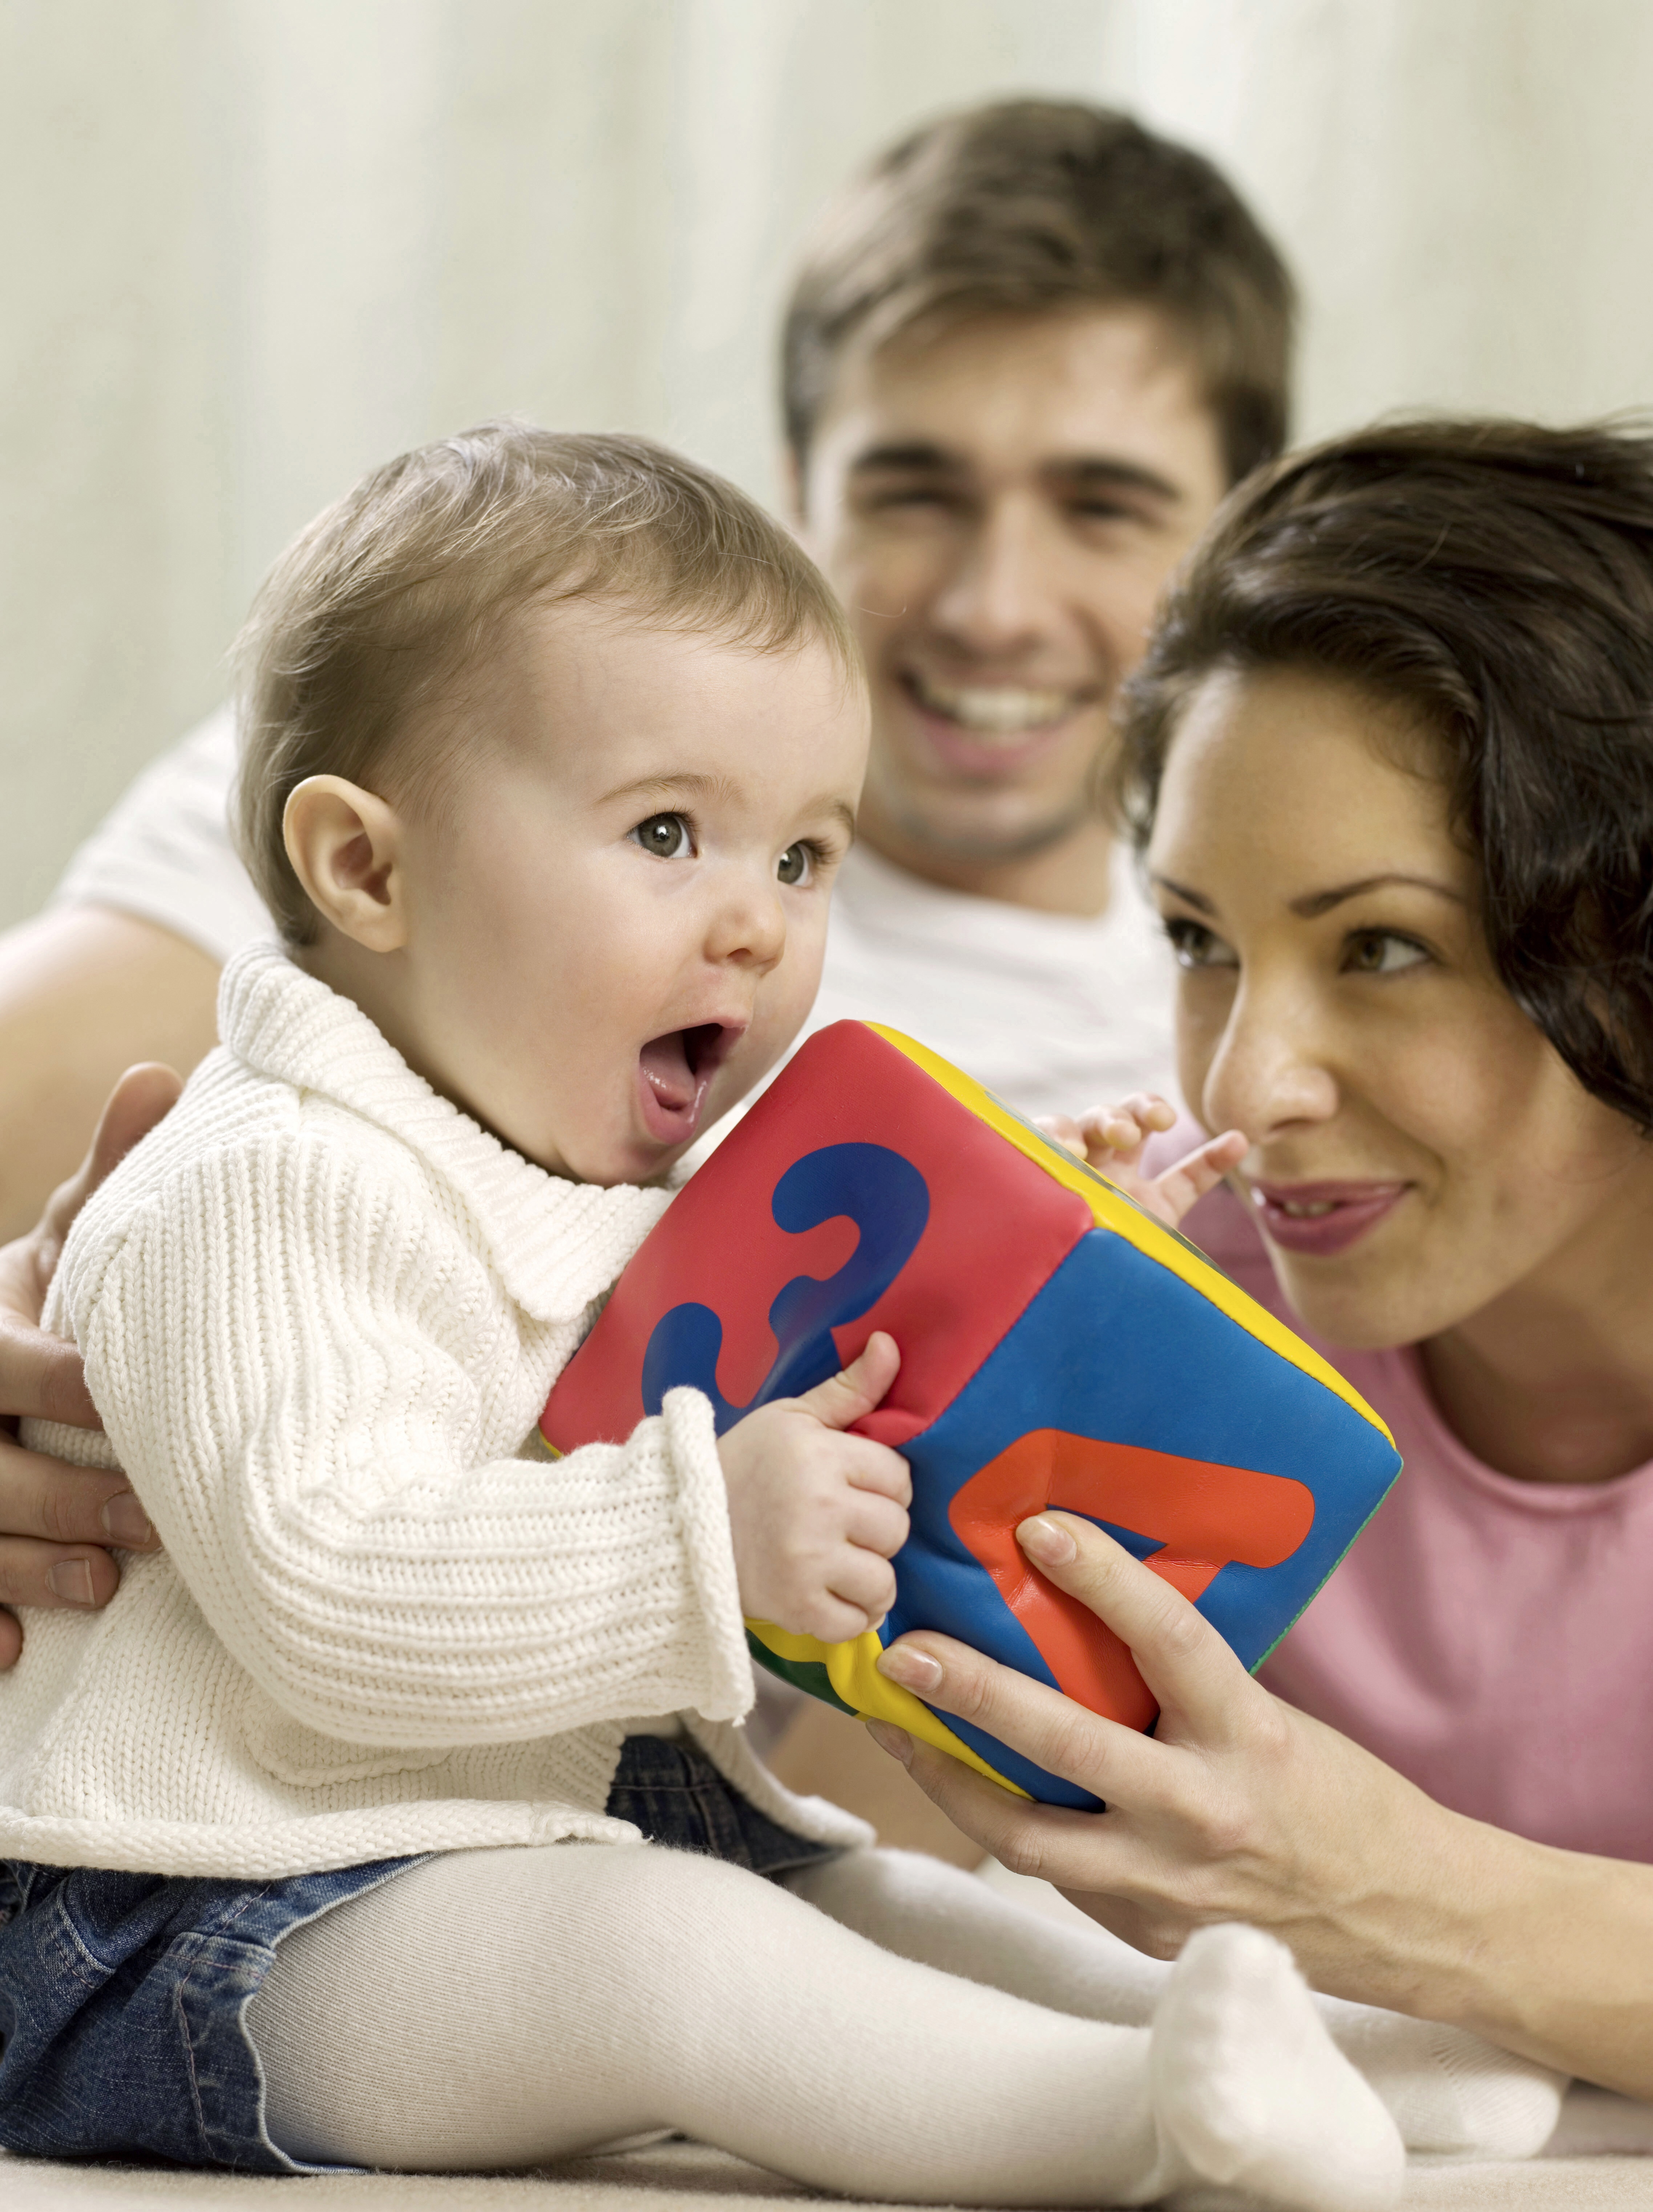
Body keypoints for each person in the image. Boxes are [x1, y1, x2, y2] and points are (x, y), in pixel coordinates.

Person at [0, 419, 1422, 2209]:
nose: (757, 924)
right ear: (367, 872)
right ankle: (1138, 2126)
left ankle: (1388, 2069)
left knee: (880, 1896)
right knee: (656, 1957)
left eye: (804, 858)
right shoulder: (274, 1179)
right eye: (669, 833)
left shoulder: (586, 1165)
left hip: (529, 1819)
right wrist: (706, 1532)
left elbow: (827, 1366)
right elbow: (329, 1584)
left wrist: (1061, 1238)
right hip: (191, 1915)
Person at [0, 101, 1295, 1700]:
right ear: (796, 492)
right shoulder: (467, 747)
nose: (992, 605)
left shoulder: (1234, 1040)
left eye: (1102, 505)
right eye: (912, 491)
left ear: (1237, 535)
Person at [856, 420, 1653, 2106]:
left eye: (1382, 947)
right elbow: (809, 1850)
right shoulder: (1152, 1292)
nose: (1247, 1085)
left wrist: (1399, 1899)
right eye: (1201, 941)